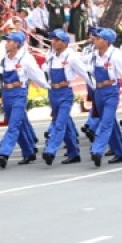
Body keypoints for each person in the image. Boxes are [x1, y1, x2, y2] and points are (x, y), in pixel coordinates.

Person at [87, 28, 122, 167]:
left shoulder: (116, 56)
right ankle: (119, 153)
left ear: (106, 41)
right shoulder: (93, 54)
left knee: (106, 122)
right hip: (98, 92)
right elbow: (86, 69)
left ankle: (97, 150)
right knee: (110, 122)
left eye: (98, 38)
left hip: (111, 92)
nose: (95, 40)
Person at [0, 31, 49, 167]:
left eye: (9, 41)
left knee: (14, 124)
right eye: (6, 41)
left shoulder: (25, 58)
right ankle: (28, 151)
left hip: (19, 93)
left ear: (17, 44)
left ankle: (4, 152)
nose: (6, 43)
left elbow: (36, 74)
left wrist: (49, 86)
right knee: (20, 123)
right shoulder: (5, 59)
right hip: (7, 93)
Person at [41, 29, 92, 165]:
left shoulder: (71, 57)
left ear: (64, 43)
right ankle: (73, 152)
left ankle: (50, 150)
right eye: (53, 39)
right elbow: (44, 71)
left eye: (57, 40)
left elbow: (84, 73)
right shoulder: (50, 56)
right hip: (53, 92)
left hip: (64, 93)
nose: (53, 42)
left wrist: (95, 88)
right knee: (66, 124)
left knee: (59, 123)